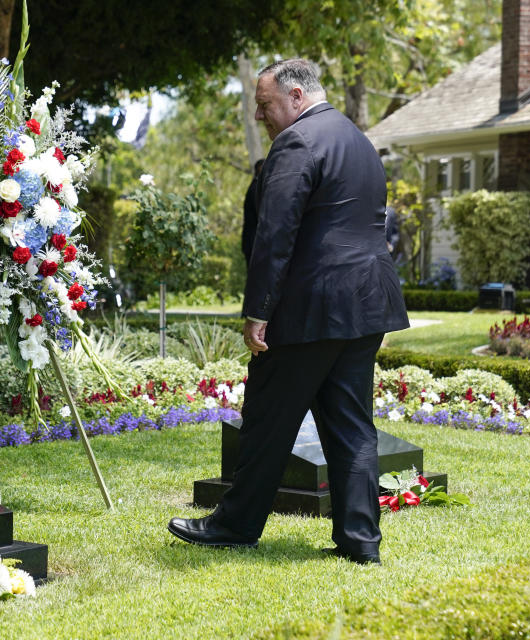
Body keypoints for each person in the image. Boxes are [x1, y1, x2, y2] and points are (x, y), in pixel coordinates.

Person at [167, 59, 408, 564]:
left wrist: (258, 310)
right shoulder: (358, 140)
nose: (260, 116)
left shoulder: (298, 142)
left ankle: (233, 526)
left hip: (311, 306)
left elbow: (275, 235)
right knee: (352, 426)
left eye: (265, 104)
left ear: (296, 96)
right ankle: (361, 542)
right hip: (367, 304)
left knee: (266, 419)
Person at [241, 159, 265, 267]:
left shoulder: (256, 187)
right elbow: (261, 214)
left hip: (253, 242)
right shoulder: (255, 189)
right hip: (253, 243)